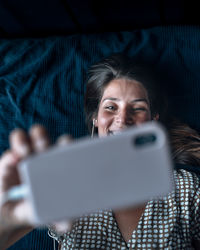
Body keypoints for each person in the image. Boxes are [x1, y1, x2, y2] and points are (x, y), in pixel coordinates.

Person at [0, 54, 200, 249]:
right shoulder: (66, 184)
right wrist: (8, 216)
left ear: (152, 119)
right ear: (95, 118)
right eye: (111, 107)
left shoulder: (186, 189)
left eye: (137, 108)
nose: (123, 119)